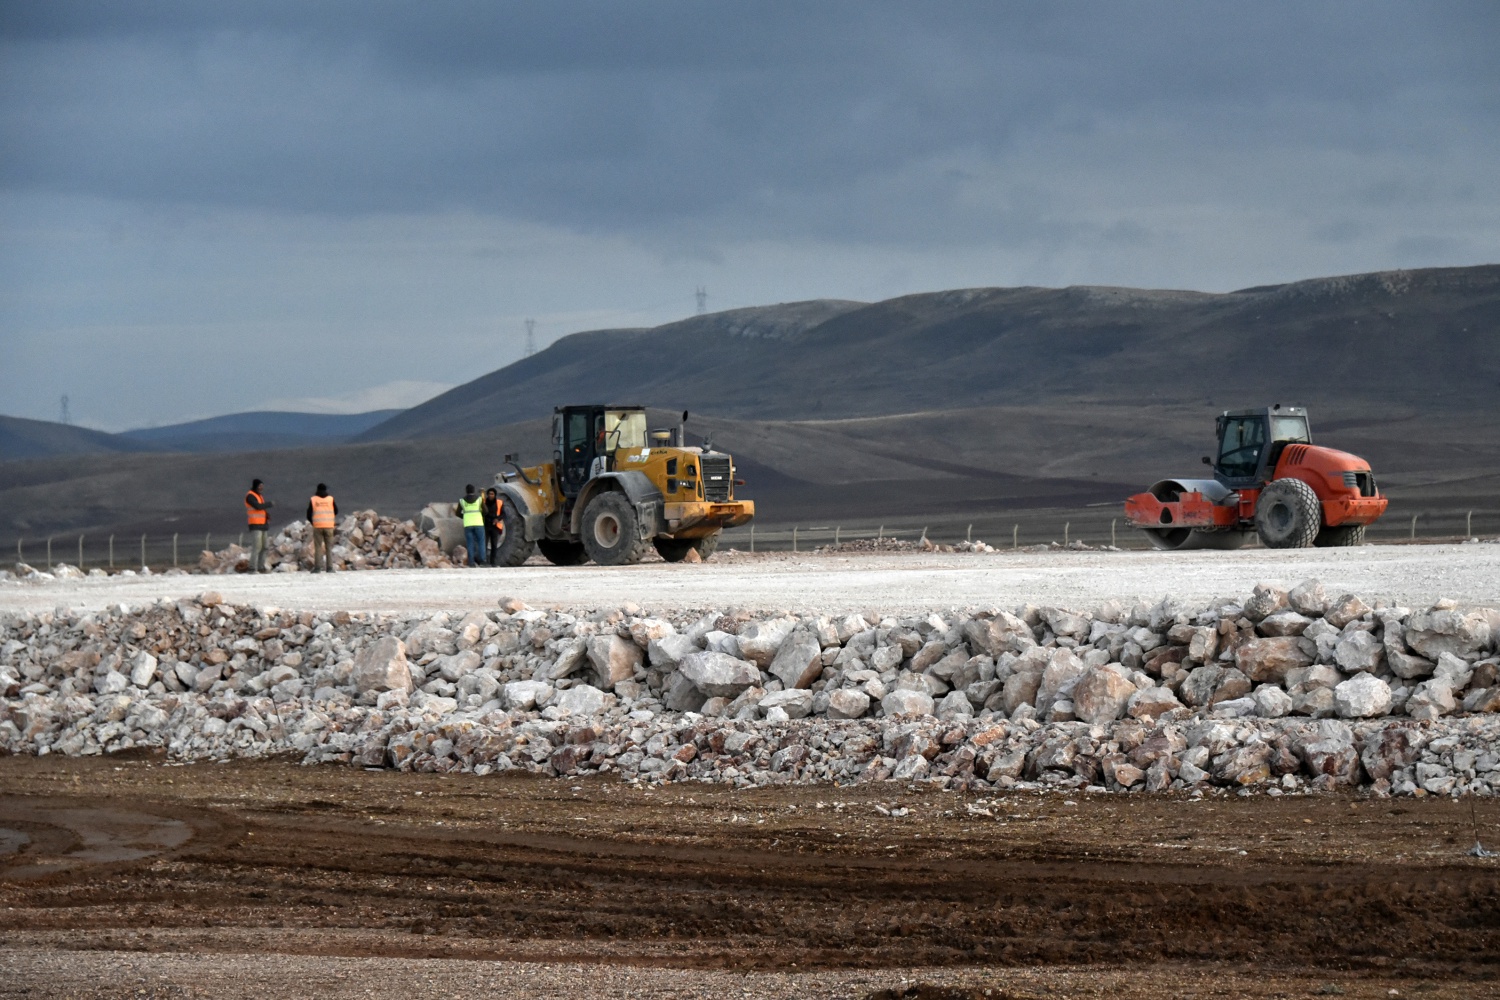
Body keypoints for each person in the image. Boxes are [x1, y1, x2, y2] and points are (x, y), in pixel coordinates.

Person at [306, 483, 338, 573]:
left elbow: (308, 514)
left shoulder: (313, 499)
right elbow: (336, 511)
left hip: (318, 526)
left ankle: (317, 568)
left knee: (318, 547)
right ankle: (330, 567)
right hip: (329, 526)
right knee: (329, 547)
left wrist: (313, 522)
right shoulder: (330, 499)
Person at [245, 479, 274, 573]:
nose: (262, 488)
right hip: (255, 524)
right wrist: (269, 504)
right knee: (257, 547)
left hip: (263, 524)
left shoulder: (259, 496)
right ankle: (252, 567)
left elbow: (261, 509)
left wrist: (266, 515)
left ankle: (261, 567)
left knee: (264, 547)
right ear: (256, 486)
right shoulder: (250, 496)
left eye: (262, 486)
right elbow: (258, 506)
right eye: (260, 486)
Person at [454, 485, 485, 567]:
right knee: (481, 542)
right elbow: (486, 511)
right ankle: (482, 560)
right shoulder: (479, 499)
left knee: (470, 543)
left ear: (466, 491)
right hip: (478, 523)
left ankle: (471, 562)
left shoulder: (462, 501)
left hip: (468, 524)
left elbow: (457, 513)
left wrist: (464, 516)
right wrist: (481, 516)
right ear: (474, 490)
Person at [482, 487, 504, 566]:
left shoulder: (499, 502)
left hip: (495, 527)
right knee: (484, 544)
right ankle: (484, 562)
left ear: (495, 495)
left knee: (494, 545)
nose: (490, 495)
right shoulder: (484, 502)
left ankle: (493, 562)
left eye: (492, 494)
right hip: (486, 526)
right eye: (489, 494)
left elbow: (503, 514)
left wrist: (497, 519)